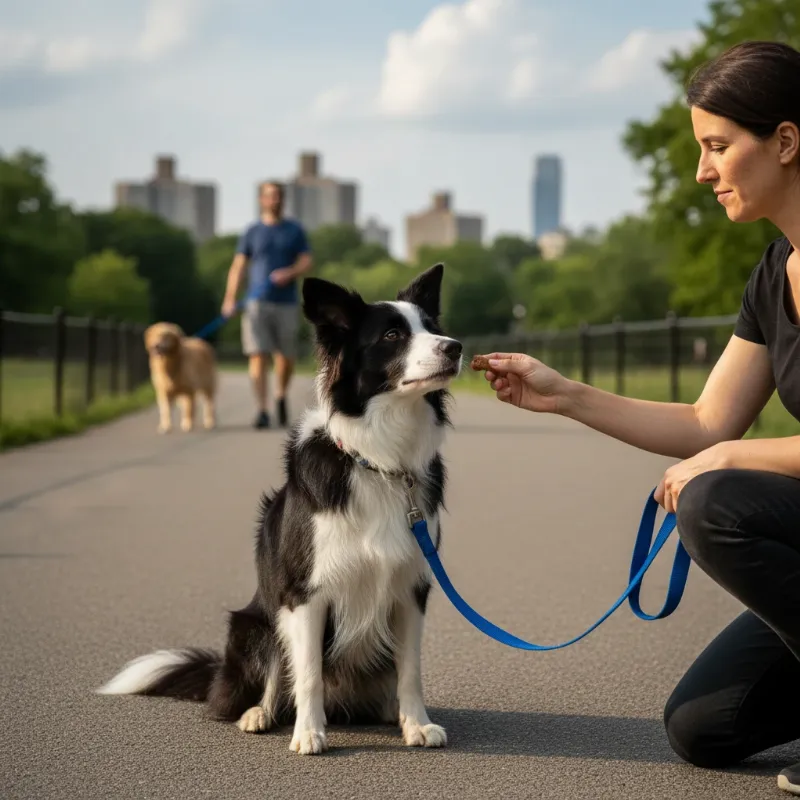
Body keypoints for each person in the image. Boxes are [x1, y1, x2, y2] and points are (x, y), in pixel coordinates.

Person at [481, 40, 800, 796]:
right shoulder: (773, 271)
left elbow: (715, 456)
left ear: (786, 141)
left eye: (717, 147)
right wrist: (564, 396)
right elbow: (706, 420)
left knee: (715, 503)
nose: (702, 171)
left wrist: (726, 461)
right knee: (704, 726)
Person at [222, 181, 313, 429]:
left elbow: (306, 261)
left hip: (286, 302)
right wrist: (230, 299)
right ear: (261, 200)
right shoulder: (252, 231)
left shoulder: (294, 230)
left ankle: (280, 395)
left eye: (279, 196)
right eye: (270, 196)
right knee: (257, 354)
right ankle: (262, 410)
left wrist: (290, 272)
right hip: (256, 303)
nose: (275, 200)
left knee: (286, 357)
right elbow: (238, 266)